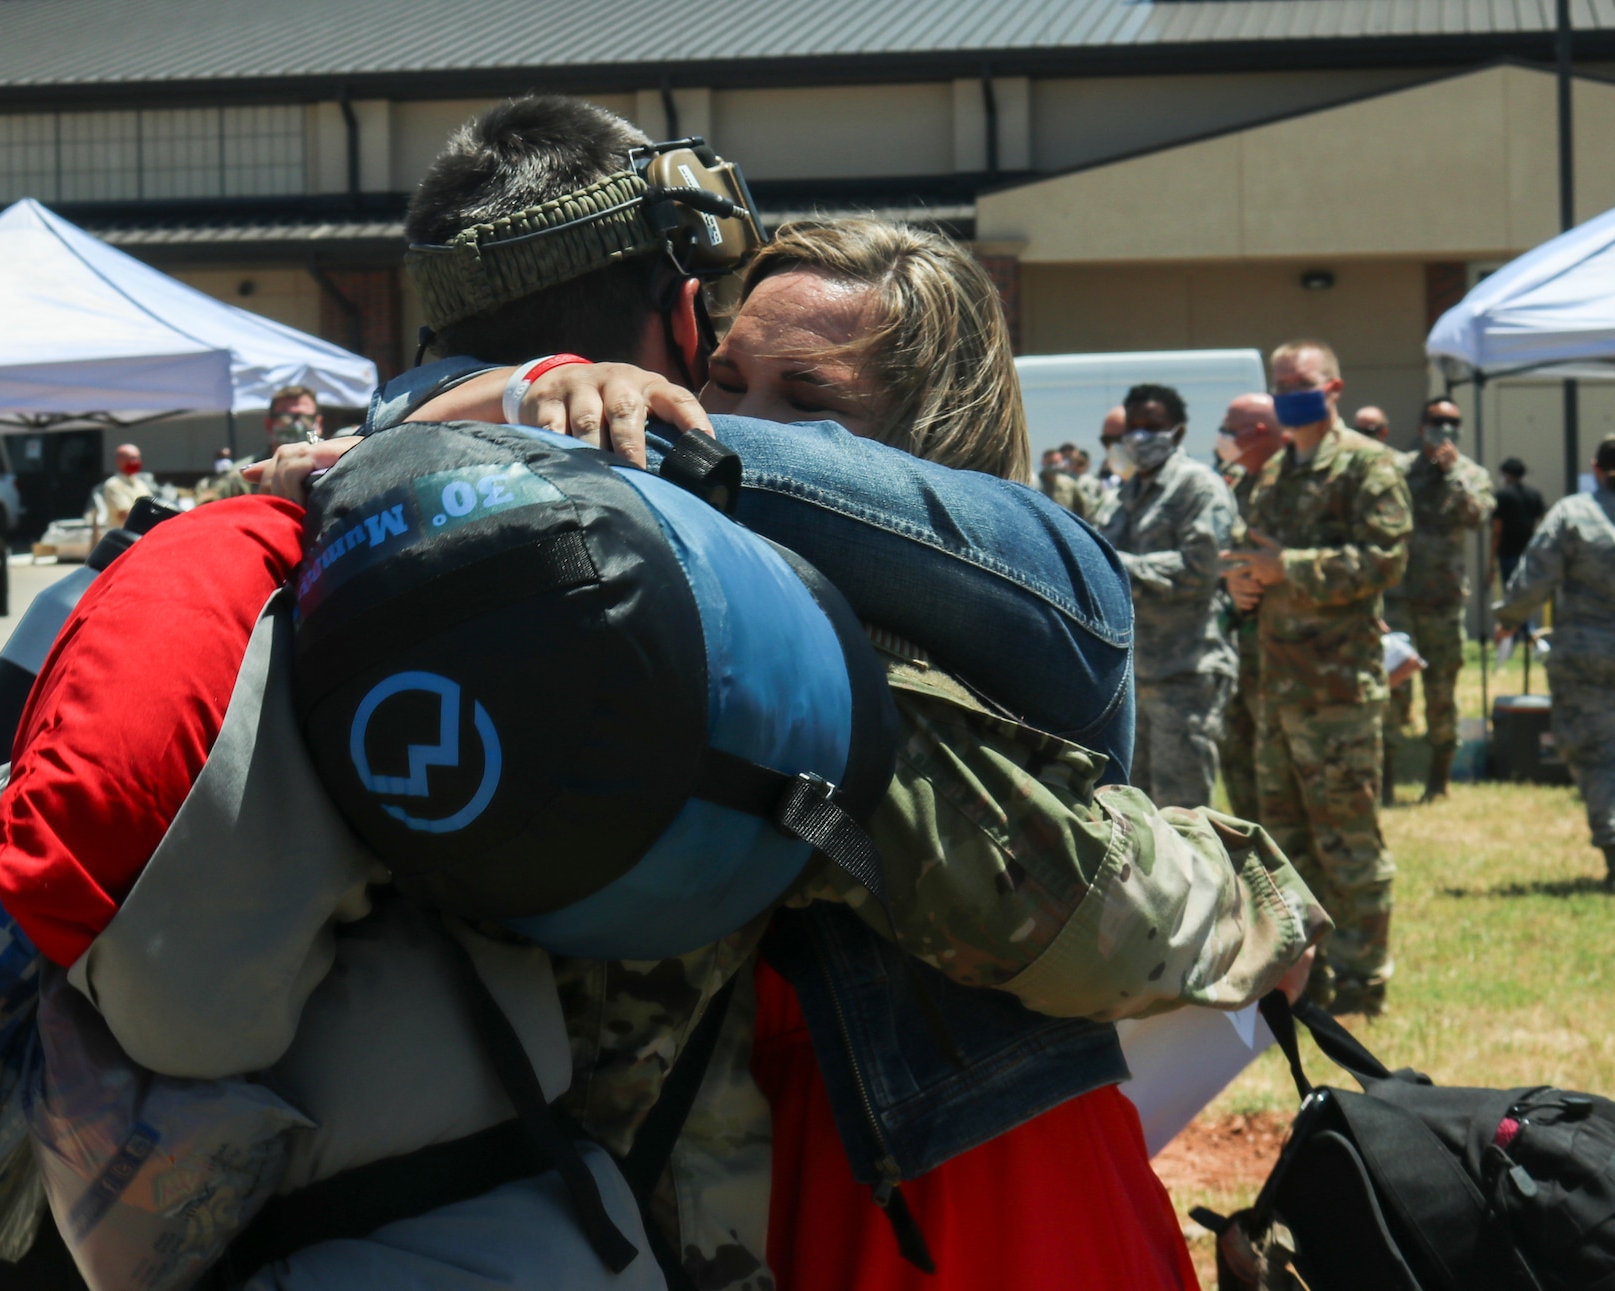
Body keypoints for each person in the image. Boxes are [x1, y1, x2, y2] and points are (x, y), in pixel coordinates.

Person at [389, 99, 1321, 1289]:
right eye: (722, 379)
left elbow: (1086, 914)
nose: (732, 425)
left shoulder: (911, 657)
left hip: (974, 1210)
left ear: (927, 451)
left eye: (809, 406)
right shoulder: (647, 621)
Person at [1225, 339, 1411, 1017]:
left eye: (1298, 382)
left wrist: (1289, 569)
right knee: (1287, 844)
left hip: (1336, 694)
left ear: (1333, 388)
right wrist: (1241, 579)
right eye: (1277, 384)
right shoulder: (1272, 475)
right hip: (1275, 690)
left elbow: (1384, 559)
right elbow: (1249, 550)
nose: (1285, 394)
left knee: (1349, 839)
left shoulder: (1367, 466)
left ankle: (1364, 982)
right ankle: (1311, 980)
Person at [1098, 382, 1239, 809]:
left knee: (1183, 812)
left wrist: (1116, 569)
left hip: (1185, 673)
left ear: (1177, 432)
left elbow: (1201, 568)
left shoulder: (1198, 487)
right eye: (1133, 427)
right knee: (1133, 811)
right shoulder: (1122, 494)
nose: (1140, 436)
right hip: (1131, 681)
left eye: (1152, 426)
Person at [1494, 435, 1615, 890]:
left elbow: (1533, 579)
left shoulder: (1573, 513)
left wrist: (1507, 620)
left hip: (1586, 654)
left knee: (1598, 753)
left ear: (1596, 467)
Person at [1384, 397, 1494, 804]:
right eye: (1437, 421)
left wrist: (1451, 475)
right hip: (1397, 599)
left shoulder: (1470, 474)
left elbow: (1477, 516)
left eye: (1453, 422)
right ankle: (1386, 782)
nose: (1444, 428)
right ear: (1421, 425)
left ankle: (1438, 780)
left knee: (1441, 690)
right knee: (1392, 690)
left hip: (1443, 601)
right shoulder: (1398, 470)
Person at [1216, 393, 1287, 822]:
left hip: (1288, 652)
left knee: (1280, 767)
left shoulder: (1295, 486)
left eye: (1229, 426)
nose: (1221, 436)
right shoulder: (1236, 485)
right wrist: (1232, 576)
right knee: (1237, 755)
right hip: (1241, 645)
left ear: (1257, 432)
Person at [1494, 456, 1548, 586]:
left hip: (1507, 553)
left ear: (1506, 473)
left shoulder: (1502, 495)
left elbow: (1497, 530)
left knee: (1510, 594)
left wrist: (1491, 561)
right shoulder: (1534, 494)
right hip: (1529, 552)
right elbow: (1547, 523)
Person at [90, 442, 157, 529]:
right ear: (119, 461)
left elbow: (152, 506)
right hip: (125, 537)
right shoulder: (113, 485)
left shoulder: (140, 483)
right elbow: (125, 514)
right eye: (132, 458)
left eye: (138, 458)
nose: (136, 462)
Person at [1038, 443, 1096, 519]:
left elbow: (1082, 506)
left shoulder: (1068, 483)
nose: (1053, 466)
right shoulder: (1035, 484)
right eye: (1050, 463)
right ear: (1043, 463)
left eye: (1056, 463)